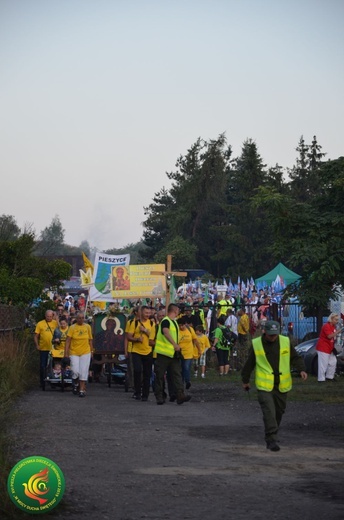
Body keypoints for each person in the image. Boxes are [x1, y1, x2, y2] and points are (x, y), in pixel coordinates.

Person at [242, 320, 307, 452]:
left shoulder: (285, 341)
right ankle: (271, 439)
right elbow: (249, 364)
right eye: (270, 334)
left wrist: (301, 369)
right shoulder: (256, 344)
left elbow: (295, 357)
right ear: (264, 331)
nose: (273, 337)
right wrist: (245, 380)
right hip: (264, 386)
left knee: (279, 411)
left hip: (281, 384)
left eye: (275, 334)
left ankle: (273, 432)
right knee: (269, 411)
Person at [154, 303, 191, 405]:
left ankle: (180, 395)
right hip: (164, 353)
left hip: (173, 354)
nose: (179, 312)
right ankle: (160, 396)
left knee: (177, 374)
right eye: (178, 310)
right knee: (160, 376)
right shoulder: (166, 321)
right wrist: (174, 344)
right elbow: (165, 332)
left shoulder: (173, 322)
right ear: (175, 311)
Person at [127, 306, 154, 401]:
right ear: (141, 313)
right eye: (146, 313)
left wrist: (145, 331)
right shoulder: (134, 323)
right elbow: (129, 336)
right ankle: (137, 392)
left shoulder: (151, 323)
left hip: (148, 351)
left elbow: (153, 337)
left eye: (149, 313)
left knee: (147, 373)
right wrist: (137, 339)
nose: (147, 315)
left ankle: (145, 394)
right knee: (137, 371)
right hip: (136, 351)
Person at [64, 312, 93, 398]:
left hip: (85, 351)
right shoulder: (72, 328)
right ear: (76, 319)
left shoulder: (88, 327)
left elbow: (90, 340)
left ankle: (82, 389)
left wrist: (92, 351)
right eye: (79, 318)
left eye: (82, 318)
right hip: (74, 352)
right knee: (75, 371)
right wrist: (66, 352)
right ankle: (76, 383)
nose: (81, 319)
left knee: (83, 371)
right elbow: (68, 340)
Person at [34, 310, 59, 388]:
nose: (49, 318)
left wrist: (56, 317)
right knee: (43, 365)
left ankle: (54, 382)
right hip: (43, 348)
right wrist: (37, 345)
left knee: (54, 366)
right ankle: (42, 382)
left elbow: (61, 328)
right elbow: (36, 336)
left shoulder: (55, 323)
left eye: (51, 316)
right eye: (48, 316)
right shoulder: (40, 324)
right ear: (45, 316)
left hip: (53, 348)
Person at [316, 313, 342, 382]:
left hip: (329, 348)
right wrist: (338, 332)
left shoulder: (333, 327)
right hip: (323, 347)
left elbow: (333, 338)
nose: (337, 321)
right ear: (331, 319)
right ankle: (321, 379)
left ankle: (329, 377)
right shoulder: (326, 326)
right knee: (323, 364)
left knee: (333, 362)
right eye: (336, 320)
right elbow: (329, 336)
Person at [177, 316, 200, 389]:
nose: (181, 327)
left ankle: (187, 381)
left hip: (189, 352)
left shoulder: (190, 330)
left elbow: (195, 340)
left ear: (185, 324)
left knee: (186, 367)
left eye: (182, 325)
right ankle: (181, 383)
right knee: (180, 368)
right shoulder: (176, 331)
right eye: (179, 325)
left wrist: (199, 349)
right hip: (180, 353)